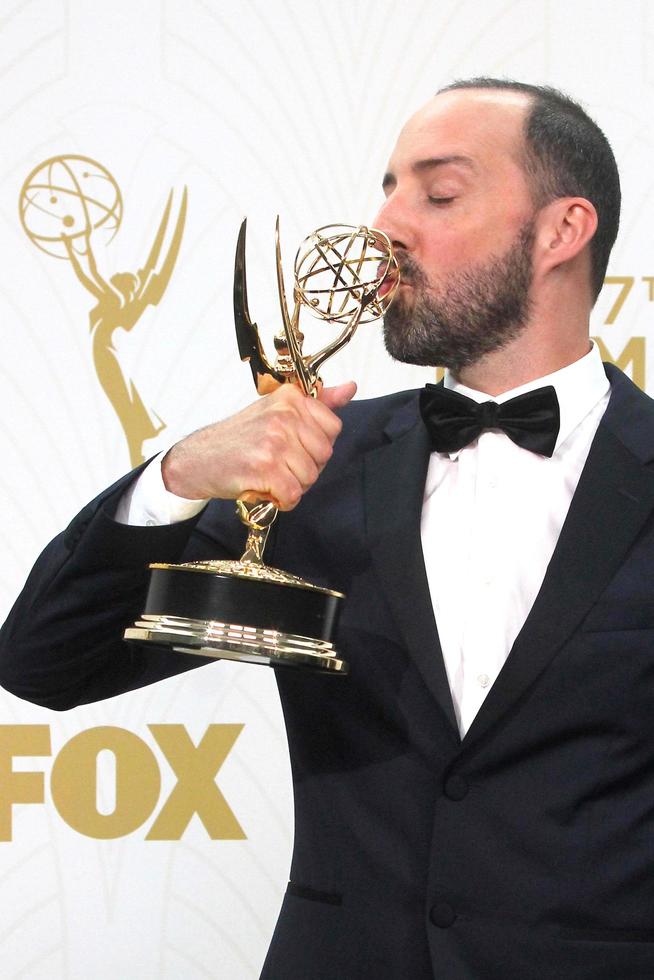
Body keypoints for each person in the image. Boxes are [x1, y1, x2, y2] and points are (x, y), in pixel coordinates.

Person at [1, 78, 652, 979]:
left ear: (560, 231)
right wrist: (178, 475)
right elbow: (45, 661)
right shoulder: (315, 466)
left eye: (438, 193)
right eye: (386, 187)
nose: (387, 225)